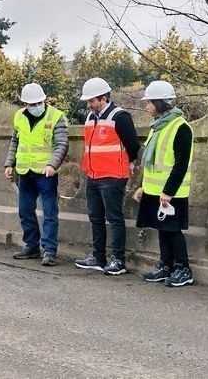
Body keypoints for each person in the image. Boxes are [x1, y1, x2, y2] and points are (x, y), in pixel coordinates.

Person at [74, 77, 140, 275]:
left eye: (92, 101)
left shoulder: (120, 116)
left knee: (114, 218)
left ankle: (118, 260)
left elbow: (133, 145)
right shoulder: (90, 117)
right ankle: (98, 257)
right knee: (95, 217)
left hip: (113, 175)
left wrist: (130, 163)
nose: (89, 104)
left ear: (103, 98)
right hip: (93, 174)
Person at [133, 81, 194, 287]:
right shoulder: (157, 126)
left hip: (172, 193)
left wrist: (168, 191)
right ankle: (165, 266)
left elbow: (181, 164)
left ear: (160, 102)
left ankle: (183, 269)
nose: (146, 106)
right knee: (162, 229)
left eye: (149, 101)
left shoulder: (181, 128)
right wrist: (142, 185)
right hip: (154, 190)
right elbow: (150, 162)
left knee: (173, 231)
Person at [4, 83, 69, 267]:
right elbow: (15, 141)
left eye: (38, 103)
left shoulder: (56, 116)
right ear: (25, 103)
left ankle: (49, 250)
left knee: (49, 213)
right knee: (25, 211)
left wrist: (52, 164)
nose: (34, 107)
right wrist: (10, 163)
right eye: (30, 104)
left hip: (46, 173)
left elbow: (62, 144)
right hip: (24, 171)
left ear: (44, 100)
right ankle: (31, 246)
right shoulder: (19, 116)